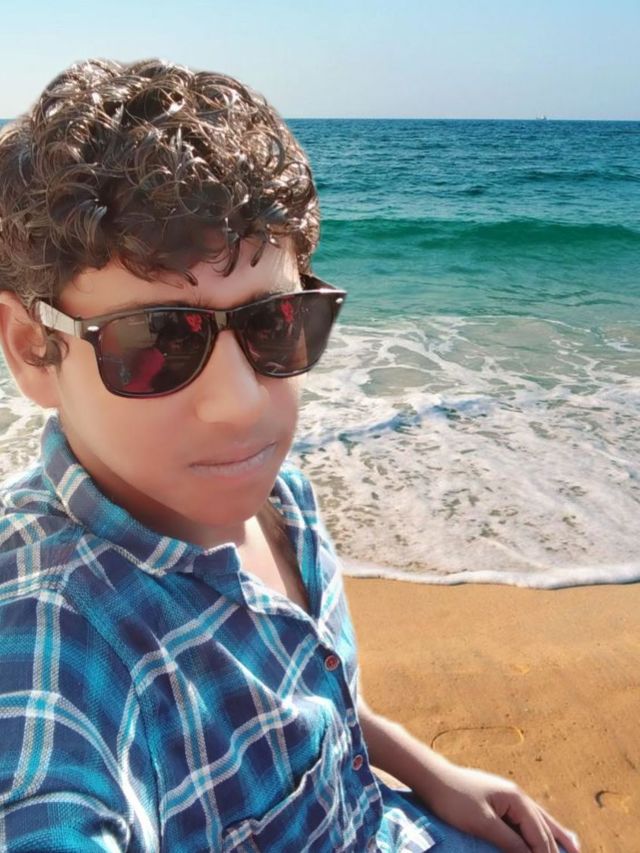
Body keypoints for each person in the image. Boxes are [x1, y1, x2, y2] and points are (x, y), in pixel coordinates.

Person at [0, 59, 579, 852]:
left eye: (273, 321)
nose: (241, 402)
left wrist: (433, 772)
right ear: (34, 348)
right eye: (158, 339)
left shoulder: (280, 496)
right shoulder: (55, 634)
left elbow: (312, 692)